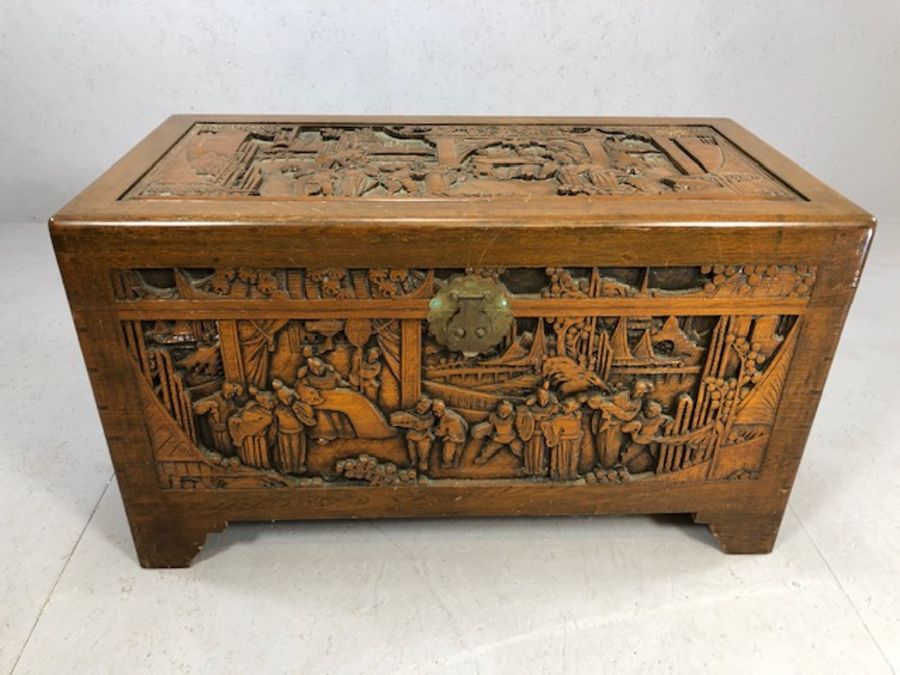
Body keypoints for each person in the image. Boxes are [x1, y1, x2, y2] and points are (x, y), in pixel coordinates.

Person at [586, 379, 654, 469]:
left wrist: (611, 408)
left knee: (612, 449)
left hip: (618, 428)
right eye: (637, 390)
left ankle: (609, 467)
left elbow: (628, 416)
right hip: (607, 424)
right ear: (633, 388)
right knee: (602, 446)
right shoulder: (621, 395)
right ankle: (603, 466)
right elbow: (602, 401)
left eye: (641, 392)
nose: (638, 394)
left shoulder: (638, 402)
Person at [271, 381, 316, 474]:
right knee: (285, 451)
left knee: (298, 450)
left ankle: (298, 466)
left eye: (289, 398)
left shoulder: (298, 406)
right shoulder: (278, 409)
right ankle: (286, 467)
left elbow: (308, 415)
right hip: (283, 433)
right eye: (285, 399)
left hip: (298, 431)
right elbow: (275, 423)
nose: (288, 400)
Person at [228, 386, 276, 468]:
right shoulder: (253, 407)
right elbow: (244, 416)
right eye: (269, 402)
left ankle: (262, 467)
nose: (272, 405)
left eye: (272, 402)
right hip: (249, 437)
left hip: (258, 438)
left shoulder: (267, 414)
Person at [516, 384, 559, 477]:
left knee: (541, 453)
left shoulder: (552, 407)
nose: (542, 400)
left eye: (545, 398)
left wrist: (546, 421)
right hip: (530, 433)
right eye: (540, 397)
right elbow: (521, 415)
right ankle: (528, 468)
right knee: (529, 452)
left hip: (544, 435)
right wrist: (531, 417)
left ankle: (540, 468)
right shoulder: (530, 407)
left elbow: (555, 418)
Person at [192, 381, 243, 454]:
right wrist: (209, 404)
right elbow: (196, 408)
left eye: (233, 394)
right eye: (231, 393)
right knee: (220, 444)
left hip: (224, 427)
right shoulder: (215, 397)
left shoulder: (229, 401)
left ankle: (227, 457)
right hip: (216, 427)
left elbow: (233, 409)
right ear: (225, 390)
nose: (232, 395)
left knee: (226, 445)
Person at [543, 397, 583, 481]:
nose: (564, 408)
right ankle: (559, 474)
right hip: (561, 442)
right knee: (560, 458)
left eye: (567, 407)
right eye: (564, 406)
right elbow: (551, 427)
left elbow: (577, 428)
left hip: (573, 441)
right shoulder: (558, 418)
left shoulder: (576, 417)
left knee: (572, 458)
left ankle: (571, 473)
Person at [474, 400, 523, 465]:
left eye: (505, 412)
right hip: (498, 438)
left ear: (510, 412)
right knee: (488, 450)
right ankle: (482, 459)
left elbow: (518, 426)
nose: (502, 414)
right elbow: (489, 427)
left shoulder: (513, 417)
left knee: (518, 449)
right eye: (501, 411)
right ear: (498, 409)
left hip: (510, 437)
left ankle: (524, 460)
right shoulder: (493, 417)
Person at [432, 399, 469, 468]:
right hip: (462, 435)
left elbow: (440, 433)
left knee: (447, 452)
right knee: (459, 450)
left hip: (453, 438)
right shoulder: (449, 412)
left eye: (436, 412)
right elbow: (465, 424)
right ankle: (456, 461)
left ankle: (447, 463)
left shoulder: (447, 419)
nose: (435, 414)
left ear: (441, 410)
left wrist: (432, 430)